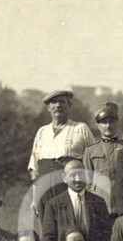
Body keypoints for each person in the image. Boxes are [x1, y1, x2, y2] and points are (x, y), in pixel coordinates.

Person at [29, 90, 99, 219]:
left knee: (71, 224)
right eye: (54, 102)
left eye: (62, 102)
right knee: (48, 227)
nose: (58, 105)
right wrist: (34, 197)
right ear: (48, 108)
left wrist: (90, 190)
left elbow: (94, 161)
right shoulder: (42, 132)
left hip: (70, 187)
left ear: (69, 105)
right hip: (44, 189)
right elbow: (34, 167)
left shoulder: (80, 128)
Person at [41, 159, 112, 241]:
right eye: (73, 175)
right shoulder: (53, 205)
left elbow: (107, 236)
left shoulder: (98, 202)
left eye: (81, 174)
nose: (78, 179)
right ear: (64, 177)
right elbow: (48, 240)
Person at [83, 102, 123, 216]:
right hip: (100, 204)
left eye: (111, 121)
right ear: (98, 125)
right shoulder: (90, 151)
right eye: (104, 122)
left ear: (116, 122)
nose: (108, 126)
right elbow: (87, 182)